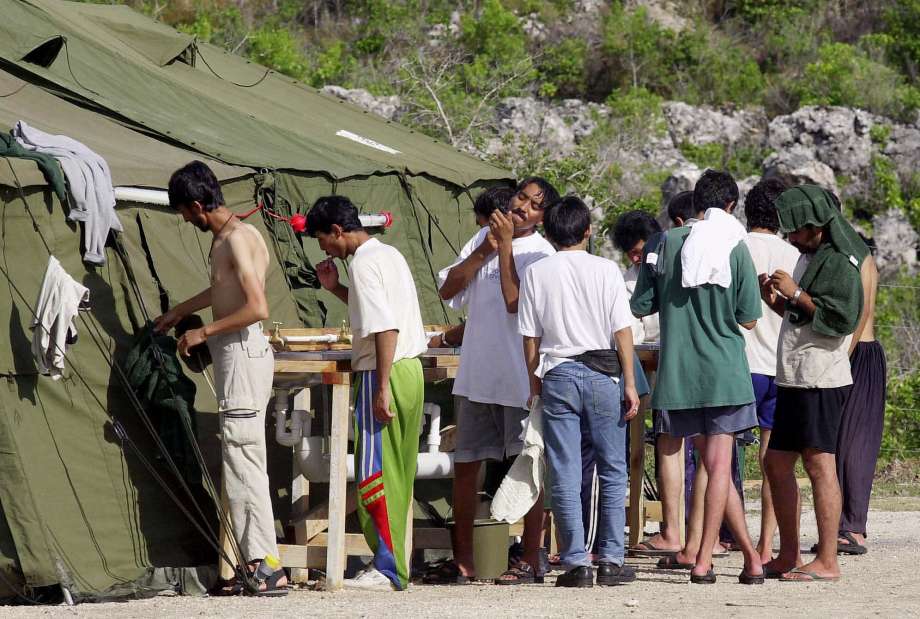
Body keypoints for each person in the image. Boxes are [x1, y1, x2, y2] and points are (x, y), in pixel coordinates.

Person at [154, 161, 287, 596]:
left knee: (244, 460)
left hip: (243, 356)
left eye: (185, 212)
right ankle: (255, 563)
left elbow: (257, 306)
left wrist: (203, 331)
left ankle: (266, 565)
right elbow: (223, 289)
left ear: (197, 204)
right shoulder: (235, 237)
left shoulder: (235, 240)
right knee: (239, 460)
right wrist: (178, 312)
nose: (185, 220)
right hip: (240, 356)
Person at [631, 170, 764, 585]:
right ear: (729, 208)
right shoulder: (735, 247)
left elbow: (641, 305)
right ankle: (706, 558)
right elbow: (749, 318)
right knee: (719, 467)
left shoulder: (664, 245)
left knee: (706, 464)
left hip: (677, 374)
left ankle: (748, 559)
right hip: (724, 372)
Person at [429, 177, 558, 585]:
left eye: (535, 205)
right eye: (522, 196)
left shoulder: (542, 253)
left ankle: (531, 556)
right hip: (477, 376)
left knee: (529, 467)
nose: (523, 206)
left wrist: (503, 249)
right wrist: (486, 247)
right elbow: (448, 289)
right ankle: (464, 559)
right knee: (466, 466)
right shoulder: (481, 238)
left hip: (521, 378)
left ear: (542, 217)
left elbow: (515, 304)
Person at [306, 196, 428, 591]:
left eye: (324, 239)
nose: (324, 248)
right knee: (400, 471)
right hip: (411, 371)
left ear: (338, 231)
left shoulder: (362, 263)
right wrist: (335, 288)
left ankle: (388, 567)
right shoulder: (388, 254)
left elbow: (384, 328)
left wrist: (379, 388)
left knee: (375, 472)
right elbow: (378, 313)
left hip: (385, 370)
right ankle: (394, 563)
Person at [519, 196, 639, 588]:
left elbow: (530, 337)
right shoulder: (606, 269)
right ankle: (611, 558)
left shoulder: (537, 272)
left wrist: (534, 382)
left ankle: (575, 563)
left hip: (557, 372)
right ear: (587, 231)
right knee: (612, 468)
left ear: (549, 234)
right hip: (604, 373)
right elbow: (622, 330)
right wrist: (631, 383)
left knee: (565, 470)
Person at [761, 185, 868, 582]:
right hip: (795, 375)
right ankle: (788, 553)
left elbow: (841, 317)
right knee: (776, 461)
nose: (789, 237)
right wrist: (776, 299)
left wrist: (797, 293)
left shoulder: (840, 261)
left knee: (820, 464)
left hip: (821, 377)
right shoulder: (812, 255)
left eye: (795, 230)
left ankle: (827, 559)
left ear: (814, 225)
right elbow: (801, 314)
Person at [740, 178, 801, 564]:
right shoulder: (794, 254)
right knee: (772, 463)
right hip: (779, 364)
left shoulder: (736, 248)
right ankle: (765, 544)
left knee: (721, 456)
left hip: (739, 364)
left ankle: (718, 538)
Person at [834, 239, 886, 555]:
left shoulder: (860, 258)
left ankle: (853, 527)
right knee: (837, 444)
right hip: (848, 353)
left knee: (856, 444)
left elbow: (862, 312)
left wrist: (844, 356)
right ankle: (841, 525)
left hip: (860, 353)